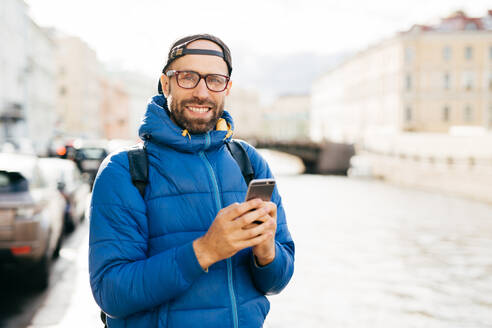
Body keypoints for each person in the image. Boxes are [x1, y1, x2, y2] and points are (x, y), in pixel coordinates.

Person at [89, 34, 295, 327]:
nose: (202, 92)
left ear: (227, 87)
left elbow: (277, 282)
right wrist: (205, 250)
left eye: (214, 80)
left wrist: (266, 251)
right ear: (166, 83)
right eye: (188, 77)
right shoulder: (125, 170)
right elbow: (111, 294)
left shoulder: (249, 162)